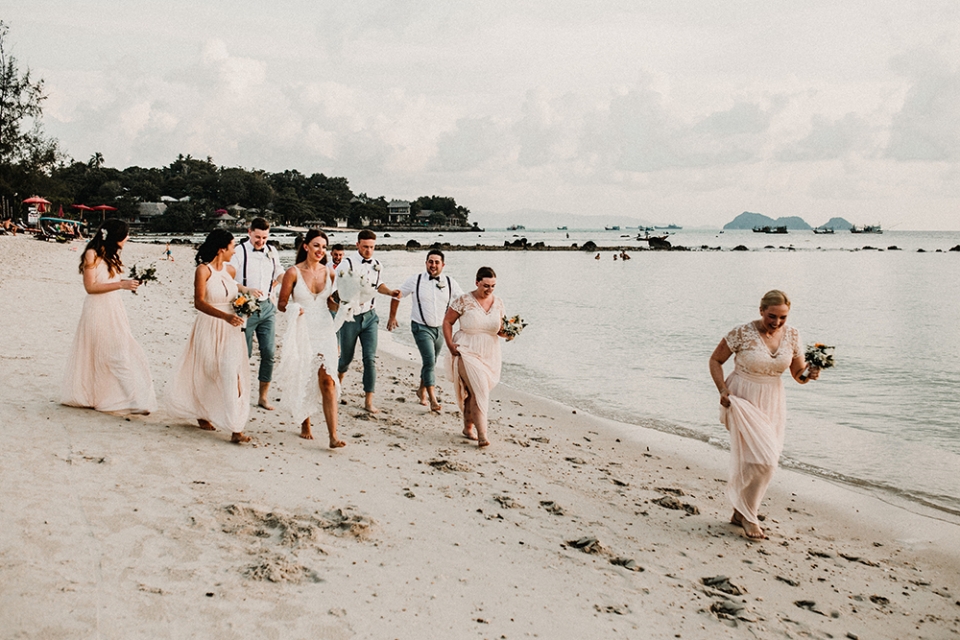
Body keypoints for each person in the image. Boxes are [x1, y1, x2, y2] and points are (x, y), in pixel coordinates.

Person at [708, 289, 819, 540]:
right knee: (763, 460)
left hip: (773, 400)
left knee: (762, 459)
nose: (777, 322)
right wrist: (722, 390)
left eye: (783, 317)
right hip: (742, 397)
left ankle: (739, 510)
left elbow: (797, 374)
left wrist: (809, 374)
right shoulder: (742, 333)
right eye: (772, 316)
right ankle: (749, 516)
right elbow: (715, 360)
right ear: (761, 311)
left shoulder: (792, 335)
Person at [61, 219, 157, 414]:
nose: (128, 237)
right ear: (115, 236)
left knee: (119, 350)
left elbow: (109, 280)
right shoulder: (92, 254)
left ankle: (128, 398)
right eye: (125, 234)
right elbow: (90, 287)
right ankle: (133, 400)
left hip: (114, 308)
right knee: (113, 353)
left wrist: (127, 282)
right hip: (97, 308)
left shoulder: (112, 255)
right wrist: (121, 285)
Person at [167, 229, 254, 443]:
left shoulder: (230, 270)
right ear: (221, 248)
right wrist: (224, 316)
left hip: (231, 329)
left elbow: (235, 290)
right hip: (209, 325)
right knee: (207, 372)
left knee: (232, 374)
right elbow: (199, 302)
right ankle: (202, 412)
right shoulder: (203, 270)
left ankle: (236, 428)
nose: (234, 251)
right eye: (232, 246)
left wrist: (249, 297)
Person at [276, 229, 345, 448]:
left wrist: (345, 301)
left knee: (328, 381)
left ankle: (333, 436)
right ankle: (305, 422)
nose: (321, 250)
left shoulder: (330, 273)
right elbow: (281, 303)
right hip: (302, 330)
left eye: (324, 247)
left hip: (325, 329)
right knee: (304, 377)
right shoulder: (293, 272)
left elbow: (332, 305)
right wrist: (295, 308)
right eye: (316, 245)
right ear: (306, 246)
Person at [387, 249, 464, 411]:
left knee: (431, 361)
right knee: (429, 361)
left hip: (441, 329)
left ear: (443, 265)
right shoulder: (416, 280)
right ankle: (433, 399)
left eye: (437, 262)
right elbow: (397, 295)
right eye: (430, 261)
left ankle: (421, 390)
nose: (433, 265)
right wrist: (392, 317)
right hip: (420, 327)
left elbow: (464, 302)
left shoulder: (450, 282)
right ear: (426, 263)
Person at [442, 266, 511, 448]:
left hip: (490, 354)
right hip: (466, 349)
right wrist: (450, 344)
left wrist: (509, 334)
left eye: (493, 286)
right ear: (477, 282)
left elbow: (501, 330)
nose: (489, 289)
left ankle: (467, 428)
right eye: (486, 285)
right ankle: (483, 435)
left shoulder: (499, 303)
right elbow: (448, 321)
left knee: (473, 393)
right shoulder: (463, 300)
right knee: (479, 390)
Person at [336, 229, 400, 413]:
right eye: (365, 247)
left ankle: (368, 400)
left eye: (371, 247)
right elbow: (338, 289)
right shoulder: (346, 264)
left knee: (370, 359)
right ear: (357, 245)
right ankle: (336, 386)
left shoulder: (378, 264)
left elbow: (378, 285)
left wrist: (390, 292)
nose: (368, 251)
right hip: (350, 317)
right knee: (346, 359)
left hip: (370, 317)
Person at [229, 217, 283, 410]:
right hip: (245, 308)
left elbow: (279, 273)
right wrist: (246, 289)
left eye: (265, 238)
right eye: (258, 237)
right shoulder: (238, 252)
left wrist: (291, 281)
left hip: (267, 307)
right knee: (245, 354)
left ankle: (263, 397)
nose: (261, 241)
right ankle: (238, 393)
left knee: (269, 352)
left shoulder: (272, 251)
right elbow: (227, 279)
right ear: (249, 232)